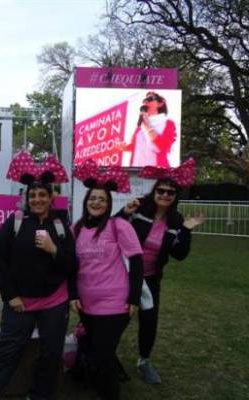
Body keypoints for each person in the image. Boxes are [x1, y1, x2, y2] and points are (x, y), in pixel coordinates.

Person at [0, 151, 77, 400]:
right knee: (8, 352)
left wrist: (53, 249)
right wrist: (10, 296)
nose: (37, 199)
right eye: (32, 195)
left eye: (42, 195)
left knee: (51, 353)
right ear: (26, 198)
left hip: (54, 301)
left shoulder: (60, 225)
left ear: (50, 197)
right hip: (20, 302)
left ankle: (40, 395)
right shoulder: (15, 222)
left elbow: (72, 265)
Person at [116, 158, 204, 384]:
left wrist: (186, 230)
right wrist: (125, 212)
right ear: (155, 192)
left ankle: (144, 361)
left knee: (149, 321)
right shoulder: (139, 209)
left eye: (171, 192)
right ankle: (103, 355)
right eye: (161, 190)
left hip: (151, 279)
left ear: (175, 197)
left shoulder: (176, 221)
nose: (165, 195)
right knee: (116, 318)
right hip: (124, 276)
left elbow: (179, 254)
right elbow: (113, 228)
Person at [70, 159, 144, 400]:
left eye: (102, 199)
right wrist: (73, 294)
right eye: (92, 198)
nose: (96, 202)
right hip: (86, 303)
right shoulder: (77, 228)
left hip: (115, 303)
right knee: (97, 351)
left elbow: (137, 261)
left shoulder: (119, 226)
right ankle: (101, 384)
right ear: (86, 201)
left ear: (108, 203)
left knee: (103, 353)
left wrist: (134, 298)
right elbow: (69, 264)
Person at [119, 91, 177, 168]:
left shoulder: (168, 123)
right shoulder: (140, 127)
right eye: (145, 100)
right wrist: (123, 147)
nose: (146, 102)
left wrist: (148, 127)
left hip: (156, 171)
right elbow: (134, 146)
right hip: (136, 171)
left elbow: (163, 147)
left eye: (150, 99)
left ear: (160, 103)